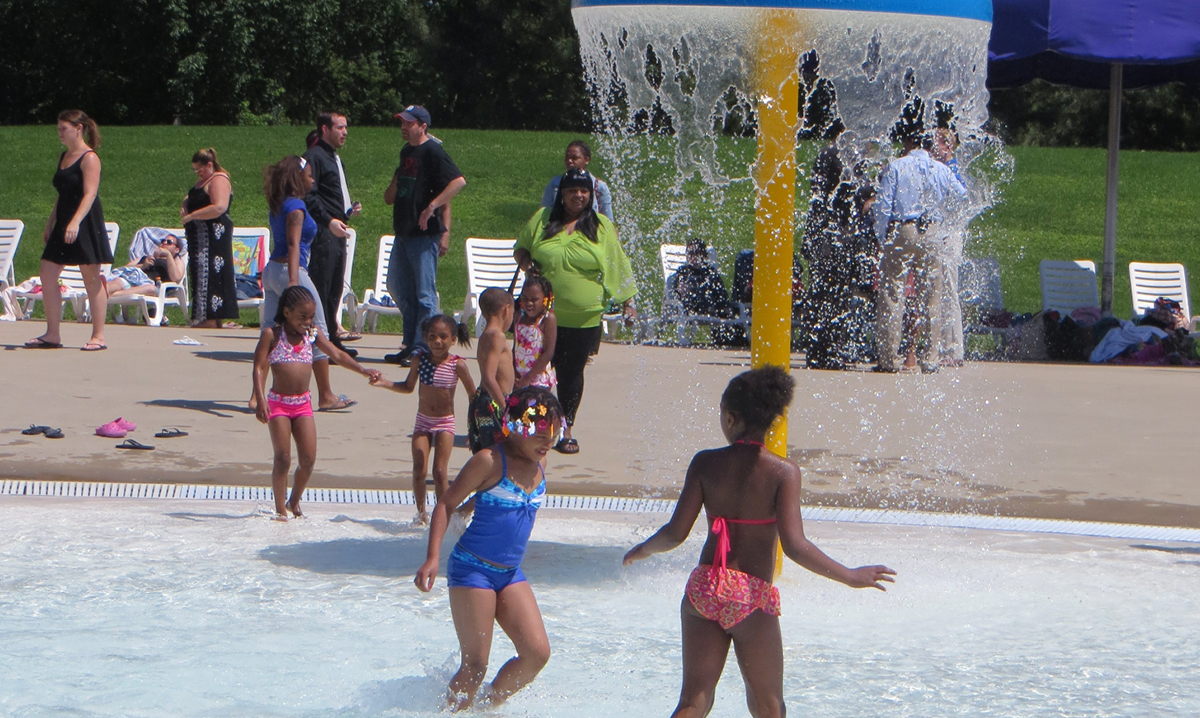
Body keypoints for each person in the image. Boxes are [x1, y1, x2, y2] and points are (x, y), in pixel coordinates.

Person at [623, 366, 896, 718]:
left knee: (694, 701)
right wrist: (850, 575)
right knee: (768, 705)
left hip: (704, 588)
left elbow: (676, 533)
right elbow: (796, 546)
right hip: (749, 596)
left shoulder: (705, 463)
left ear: (732, 417)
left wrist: (643, 549)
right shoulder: (783, 472)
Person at [414, 386, 563, 711]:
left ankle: (484, 708)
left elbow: (483, 501)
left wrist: (475, 504)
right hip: (473, 569)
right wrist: (432, 557)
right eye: (540, 432)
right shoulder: (489, 460)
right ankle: (448, 713)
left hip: (509, 573)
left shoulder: (541, 463)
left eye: (554, 431)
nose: (547, 440)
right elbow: (446, 504)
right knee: (475, 664)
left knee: (537, 654)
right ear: (515, 426)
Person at [514, 168, 637, 455]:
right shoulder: (543, 219)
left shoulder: (601, 225)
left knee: (570, 376)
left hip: (583, 318)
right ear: (563, 194)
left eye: (584, 191)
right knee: (535, 371)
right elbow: (520, 249)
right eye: (573, 191)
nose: (578, 196)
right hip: (540, 316)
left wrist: (628, 301)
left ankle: (565, 428)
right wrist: (528, 265)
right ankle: (533, 428)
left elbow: (618, 263)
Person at [251, 286, 381, 520]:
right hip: (278, 404)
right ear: (287, 312)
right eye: (303, 317)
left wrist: (362, 370)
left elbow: (337, 354)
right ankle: (280, 509)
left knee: (308, 460)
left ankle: (294, 500)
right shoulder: (273, 335)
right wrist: (260, 400)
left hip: (303, 405)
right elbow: (259, 367)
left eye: (311, 317)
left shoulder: (311, 334)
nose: (308, 322)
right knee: (282, 458)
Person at [258, 155, 358, 412]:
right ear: (297, 177)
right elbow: (293, 244)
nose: (313, 179)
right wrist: (293, 282)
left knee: (269, 333)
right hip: (290, 272)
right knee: (319, 327)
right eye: (310, 175)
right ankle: (325, 395)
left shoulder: (279, 204)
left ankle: (255, 396)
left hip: (270, 272)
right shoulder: (296, 207)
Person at [873, 130, 967, 373]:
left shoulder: (896, 166)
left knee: (893, 294)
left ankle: (889, 358)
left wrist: (882, 238)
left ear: (909, 142)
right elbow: (962, 194)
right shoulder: (941, 169)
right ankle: (931, 358)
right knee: (931, 296)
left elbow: (883, 206)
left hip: (904, 229)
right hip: (932, 231)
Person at [371, 314, 476, 525]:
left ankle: (443, 513)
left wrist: (474, 428)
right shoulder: (420, 359)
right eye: (432, 337)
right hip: (423, 421)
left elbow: (473, 396)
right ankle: (421, 514)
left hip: (445, 422)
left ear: (453, 339)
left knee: (439, 471)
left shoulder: (458, 365)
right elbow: (409, 387)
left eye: (443, 337)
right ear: (425, 338)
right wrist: (384, 383)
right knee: (419, 469)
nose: (437, 342)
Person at [382, 105, 466, 367]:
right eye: (402, 123)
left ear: (423, 126)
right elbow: (391, 196)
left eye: (409, 123)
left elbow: (458, 182)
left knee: (424, 295)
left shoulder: (433, 151)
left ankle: (423, 349)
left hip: (424, 235)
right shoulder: (407, 151)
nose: (404, 127)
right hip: (404, 232)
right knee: (397, 287)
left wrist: (432, 208)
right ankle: (410, 343)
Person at [26, 110, 112, 351]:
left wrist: (75, 222)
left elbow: (90, 193)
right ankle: (53, 333)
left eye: (64, 128)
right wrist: (51, 221)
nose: (60, 133)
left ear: (79, 128)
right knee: (47, 272)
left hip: (85, 221)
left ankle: (98, 336)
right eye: (58, 129)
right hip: (64, 221)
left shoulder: (90, 158)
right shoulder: (64, 156)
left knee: (91, 278)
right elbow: (62, 193)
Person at [303, 112, 363, 357]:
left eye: (346, 127)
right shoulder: (314, 157)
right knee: (322, 286)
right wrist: (329, 221)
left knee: (335, 288)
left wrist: (347, 210)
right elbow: (309, 195)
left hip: (338, 229)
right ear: (325, 129)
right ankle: (320, 344)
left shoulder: (335, 158)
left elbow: (331, 193)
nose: (345, 132)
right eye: (340, 127)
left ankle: (332, 341)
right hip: (323, 232)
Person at [182, 147, 240, 329]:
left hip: (214, 237)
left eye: (200, 169)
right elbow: (194, 196)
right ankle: (204, 316)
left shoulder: (219, 179)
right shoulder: (203, 181)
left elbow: (219, 207)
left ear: (210, 164)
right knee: (200, 274)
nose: (197, 173)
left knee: (213, 274)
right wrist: (185, 204)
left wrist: (192, 216)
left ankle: (212, 317)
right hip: (199, 238)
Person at [931, 127, 968, 367]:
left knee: (949, 290)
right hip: (944, 232)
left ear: (947, 147)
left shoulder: (951, 169)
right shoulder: (944, 168)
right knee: (941, 289)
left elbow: (961, 197)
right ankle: (943, 346)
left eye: (937, 145)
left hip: (950, 234)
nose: (933, 150)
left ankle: (954, 349)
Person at [468, 287, 515, 454]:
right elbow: (489, 377)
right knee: (499, 453)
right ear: (506, 309)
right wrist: (505, 407)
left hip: (485, 399)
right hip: (494, 400)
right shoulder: (497, 336)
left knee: (487, 451)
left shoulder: (486, 335)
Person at [540, 140, 614, 222]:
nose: (569, 161)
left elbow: (609, 221)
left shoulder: (599, 186)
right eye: (567, 157)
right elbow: (544, 214)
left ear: (587, 159)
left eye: (575, 158)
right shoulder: (554, 184)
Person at [103, 233, 186, 300]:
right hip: (133, 280)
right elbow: (127, 268)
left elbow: (176, 278)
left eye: (169, 242)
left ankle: (105, 295)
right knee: (118, 283)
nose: (164, 243)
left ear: (177, 249)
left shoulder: (177, 261)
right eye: (163, 241)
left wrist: (168, 255)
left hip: (149, 286)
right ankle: (101, 293)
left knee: (151, 289)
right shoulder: (146, 257)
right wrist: (143, 265)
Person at [513, 276, 557, 390]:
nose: (529, 303)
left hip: (538, 379)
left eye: (534, 299)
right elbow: (515, 347)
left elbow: (548, 352)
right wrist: (513, 372)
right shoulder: (518, 317)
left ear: (545, 299)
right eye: (525, 299)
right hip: (518, 378)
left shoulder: (547, 319)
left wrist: (528, 378)